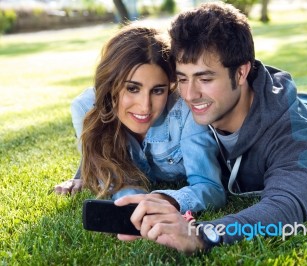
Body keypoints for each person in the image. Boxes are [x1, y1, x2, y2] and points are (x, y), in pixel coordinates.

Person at [114, 2, 307, 253]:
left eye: (205, 78)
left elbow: (285, 206)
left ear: (241, 72)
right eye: (183, 79)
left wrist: (202, 234)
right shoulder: (189, 105)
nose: (190, 95)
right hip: (286, 99)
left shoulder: (292, 131)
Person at [54, 24, 226, 213]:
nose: (145, 106)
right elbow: (113, 177)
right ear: (111, 84)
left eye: (158, 90)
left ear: (170, 86)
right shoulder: (85, 108)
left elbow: (210, 188)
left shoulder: (185, 110)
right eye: (132, 89)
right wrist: (131, 203)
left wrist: (163, 200)